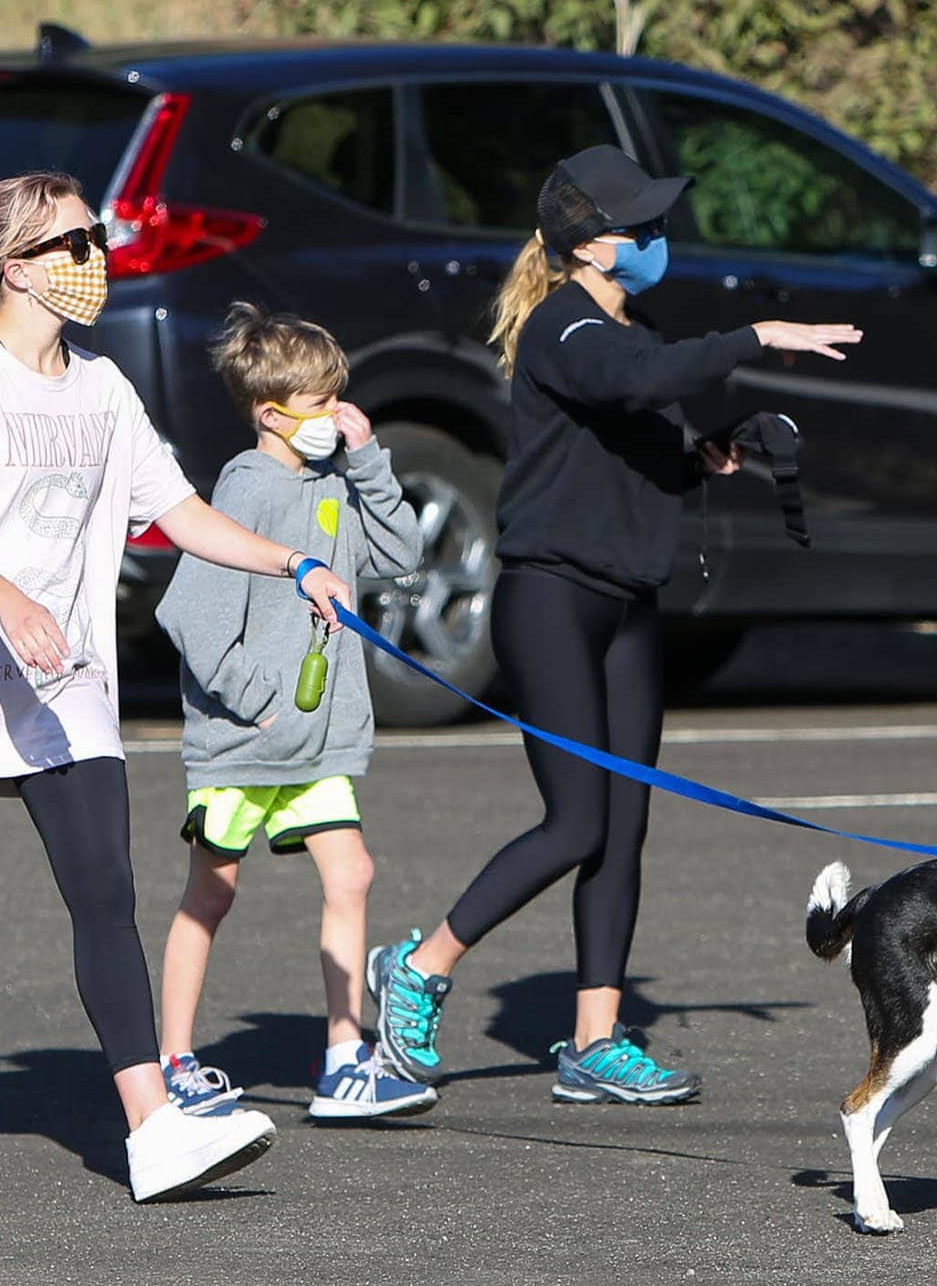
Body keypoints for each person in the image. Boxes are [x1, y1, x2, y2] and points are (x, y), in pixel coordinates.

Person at [0, 172, 355, 1203]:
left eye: (97, 235)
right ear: (14, 268)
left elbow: (177, 512)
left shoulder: (100, 386)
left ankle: (152, 1126)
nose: (97, 254)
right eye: (76, 239)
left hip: (64, 680)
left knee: (105, 894)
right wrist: (8, 599)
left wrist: (294, 563)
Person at [367, 145, 861, 1104]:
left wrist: (712, 454)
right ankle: (421, 964)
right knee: (576, 820)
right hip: (550, 599)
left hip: (628, 604)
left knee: (622, 827)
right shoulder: (564, 329)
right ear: (593, 244)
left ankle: (594, 1042)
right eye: (643, 225)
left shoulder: (630, 331)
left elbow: (641, 440)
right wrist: (760, 333)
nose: (657, 238)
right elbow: (634, 380)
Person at [153, 303, 434, 1122]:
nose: (335, 417)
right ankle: (173, 1060)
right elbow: (193, 616)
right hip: (248, 741)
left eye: (340, 399)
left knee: (353, 872)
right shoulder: (248, 486)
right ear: (273, 414)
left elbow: (403, 558)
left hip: (317, 745)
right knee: (211, 892)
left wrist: (371, 457)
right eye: (321, 405)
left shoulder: (334, 480)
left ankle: (345, 1060)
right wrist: (262, 704)